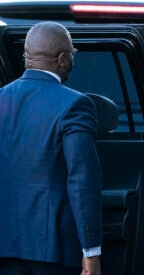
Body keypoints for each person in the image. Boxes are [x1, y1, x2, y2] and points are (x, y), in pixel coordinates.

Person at [0, 21, 103, 275]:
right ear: (62, 58)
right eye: (72, 53)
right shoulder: (76, 105)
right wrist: (91, 252)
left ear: (27, 56)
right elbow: (82, 181)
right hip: (51, 250)